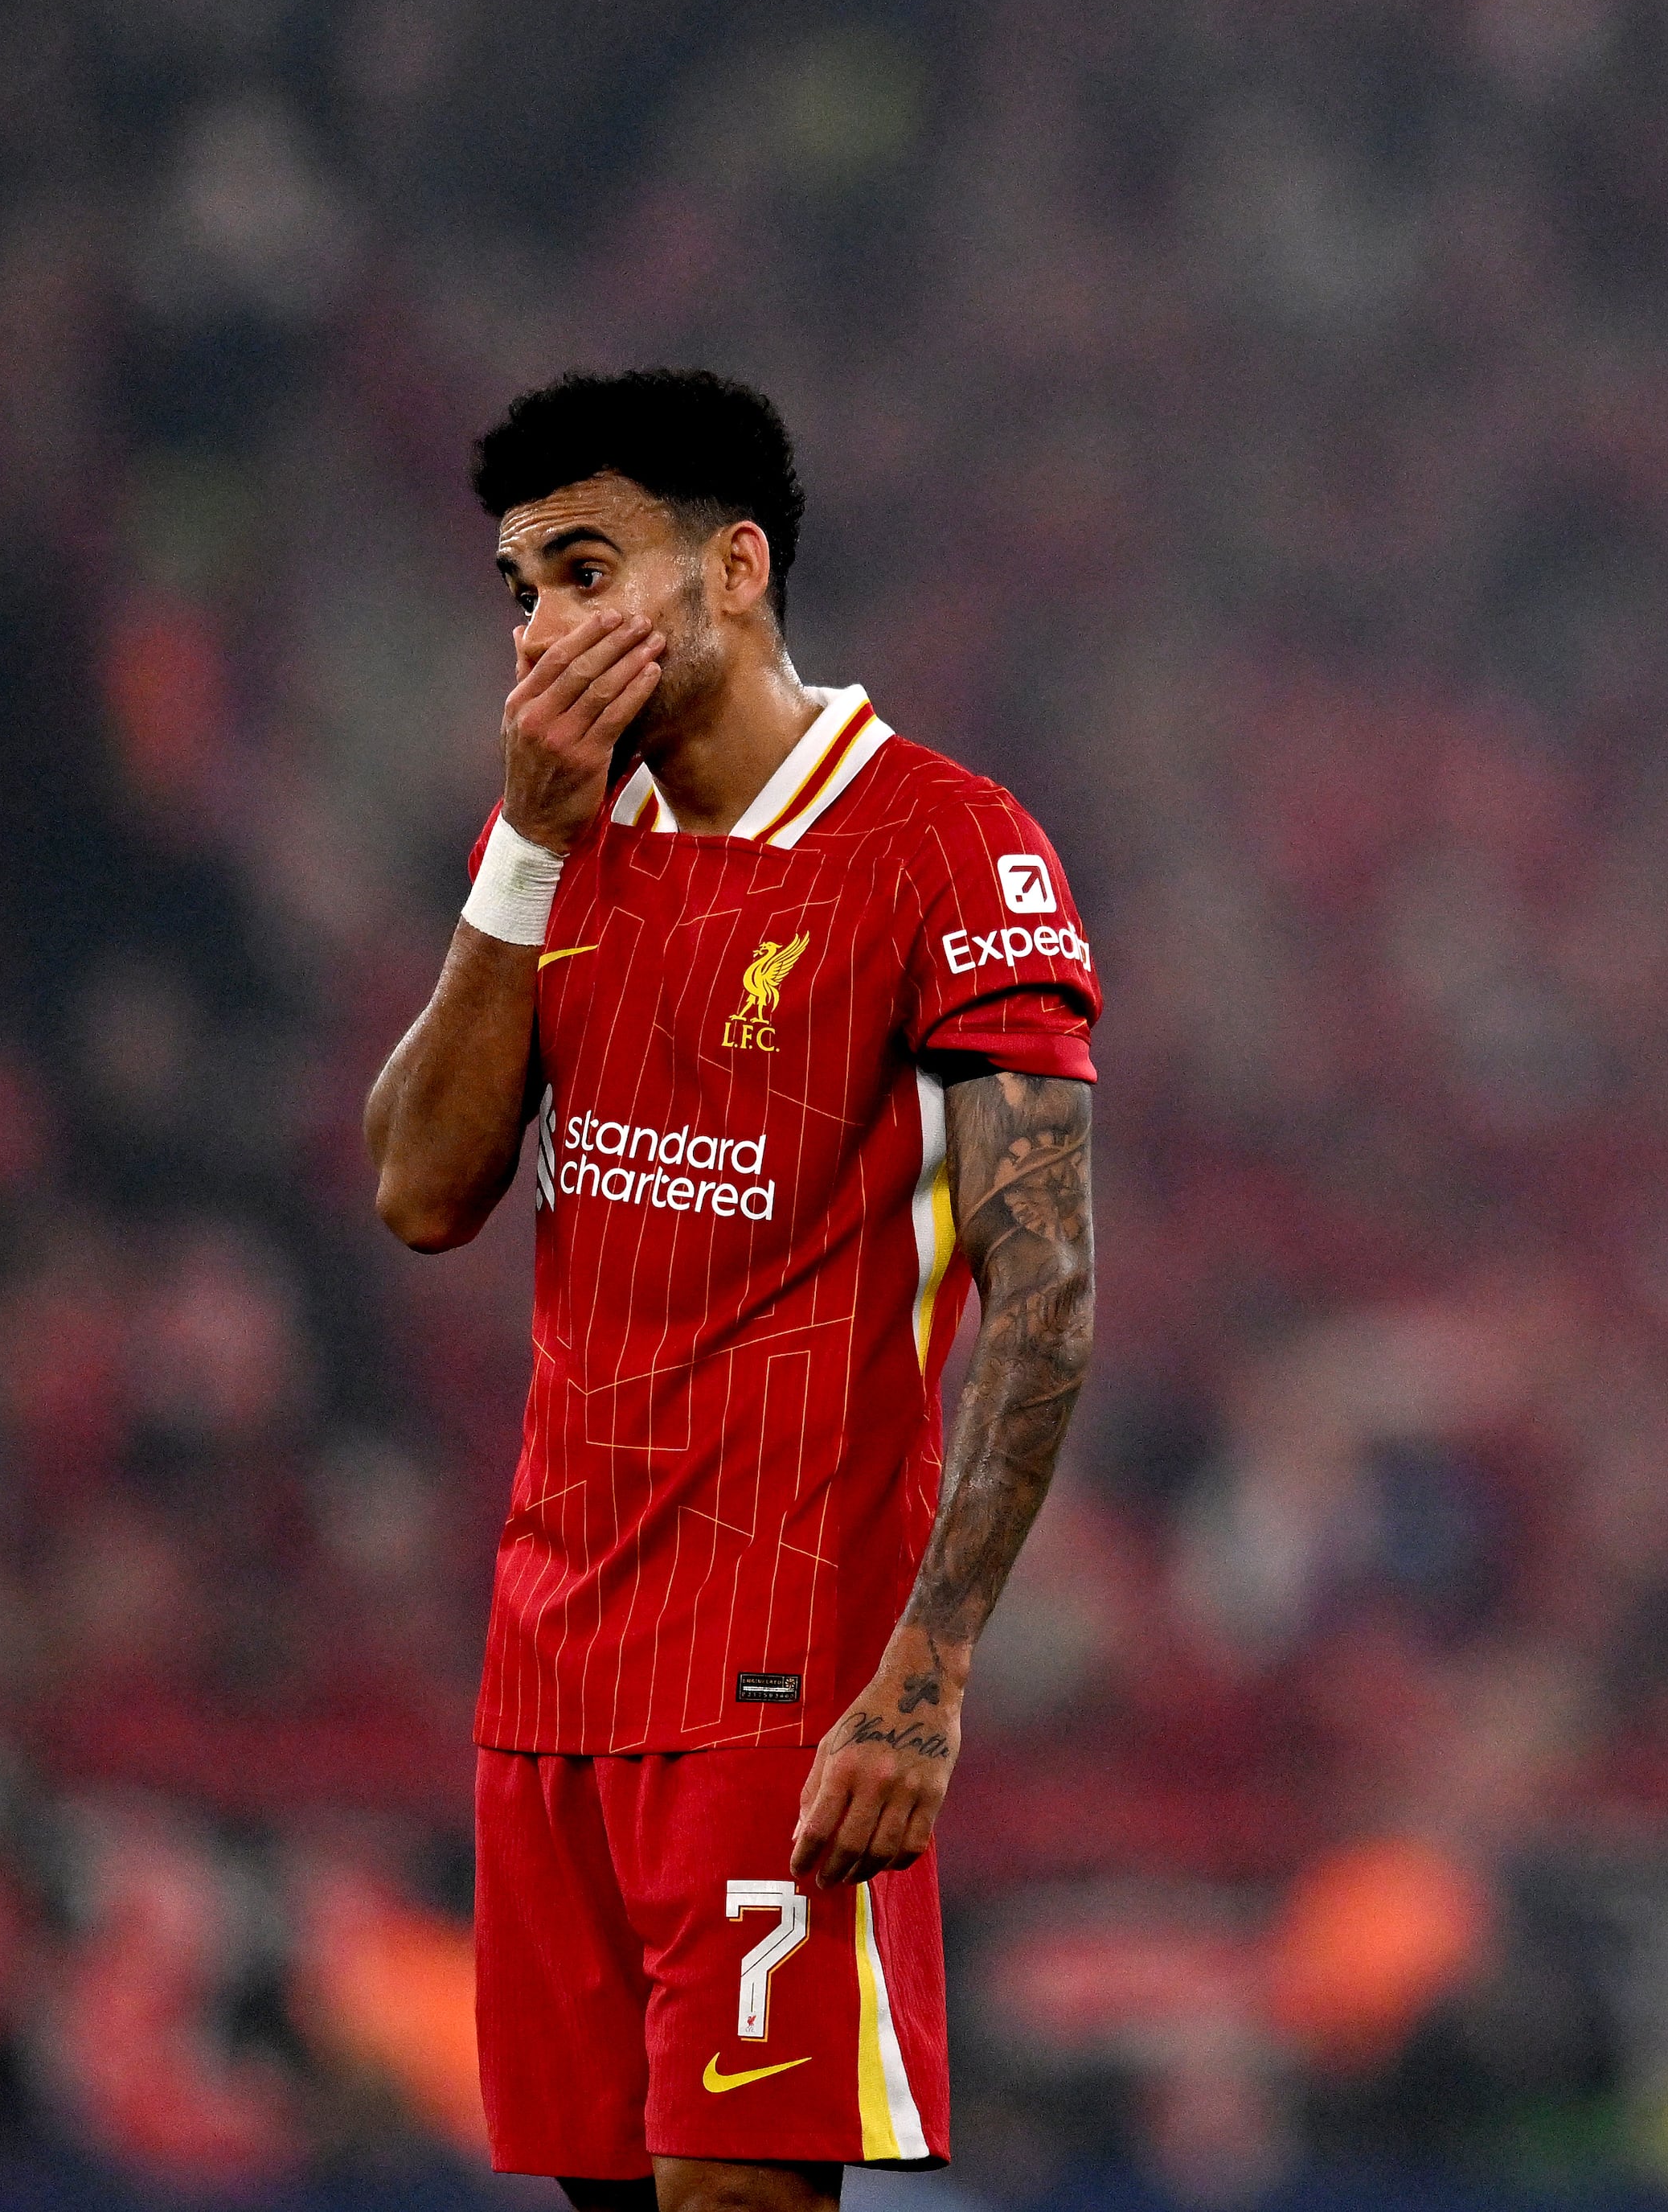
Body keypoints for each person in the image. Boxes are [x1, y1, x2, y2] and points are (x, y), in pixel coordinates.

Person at [363, 369, 1102, 2210]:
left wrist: (922, 1680)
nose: (545, 626)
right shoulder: (555, 846)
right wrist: (526, 844)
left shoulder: (947, 846)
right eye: (521, 588)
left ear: (737, 569)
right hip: (548, 1670)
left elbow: (1050, 1291)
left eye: (588, 567)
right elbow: (417, 1186)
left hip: (782, 1680)